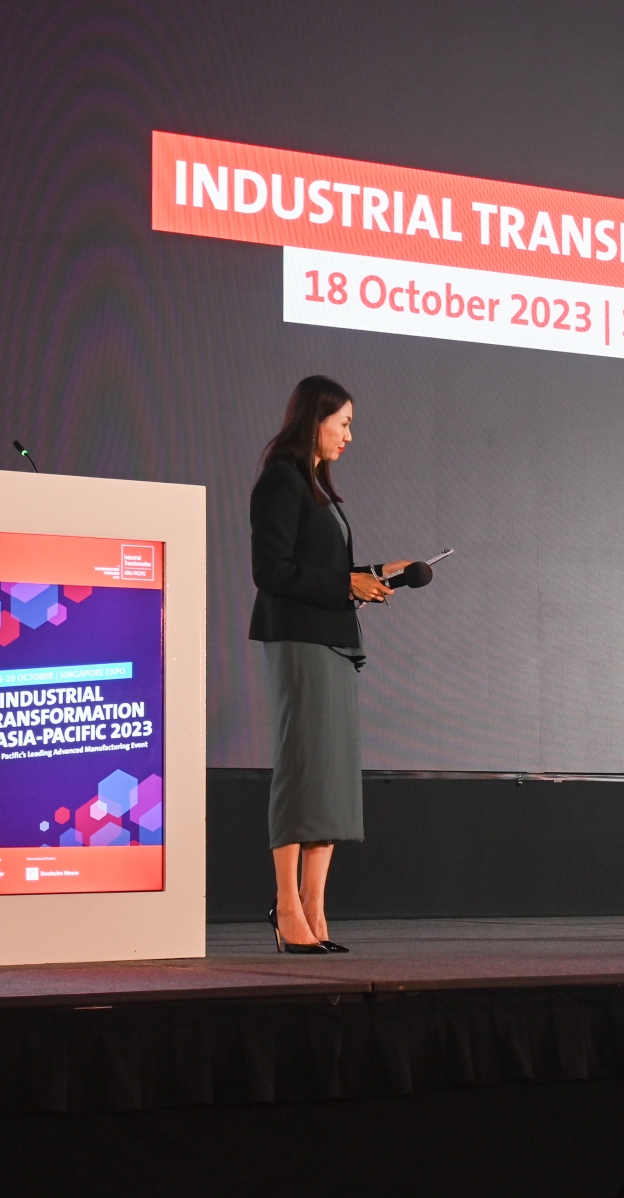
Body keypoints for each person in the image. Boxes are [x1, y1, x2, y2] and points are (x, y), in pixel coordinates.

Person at [249, 375, 412, 954]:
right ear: (313, 420)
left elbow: (321, 570)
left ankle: (314, 907)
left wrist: (372, 575)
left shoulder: (316, 486)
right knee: (302, 770)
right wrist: (347, 583)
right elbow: (271, 570)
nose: (349, 435)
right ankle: (285, 906)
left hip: (334, 642)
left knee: (330, 777)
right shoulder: (281, 479)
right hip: (299, 642)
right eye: (342, 423)